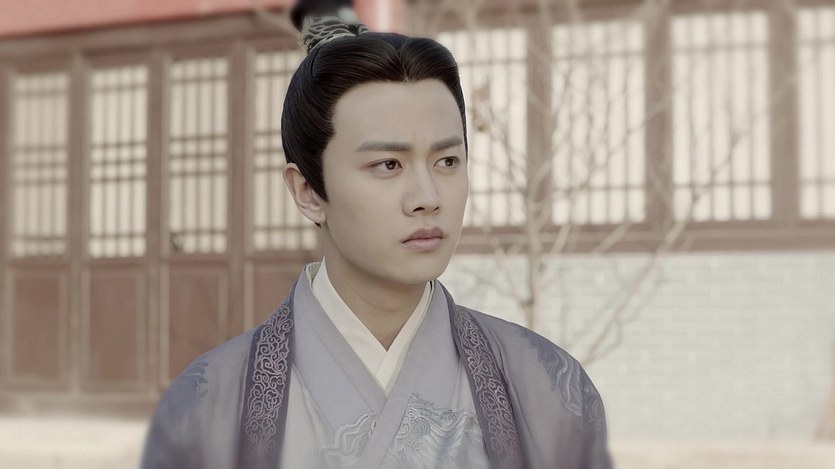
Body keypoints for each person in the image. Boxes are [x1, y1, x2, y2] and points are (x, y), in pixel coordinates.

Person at [141, 1, 611, 467]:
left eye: (447, 161)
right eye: (388, 165)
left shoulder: (552, 390)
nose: (427, 197)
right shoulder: (204, 408)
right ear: (307, 191)